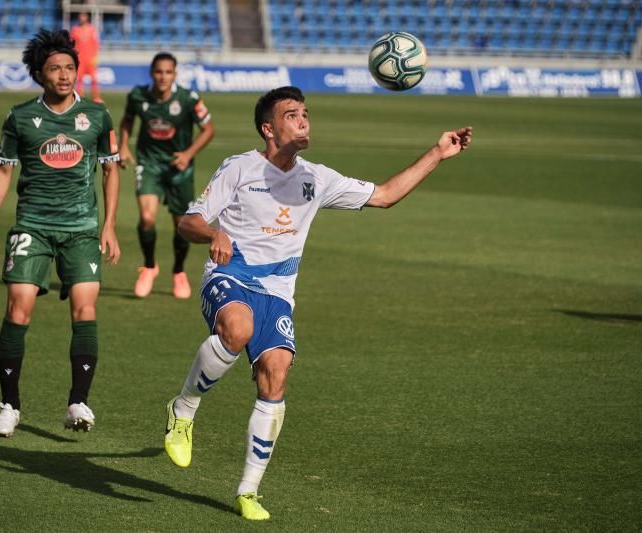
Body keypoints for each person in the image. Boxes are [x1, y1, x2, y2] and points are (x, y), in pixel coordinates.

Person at [162, 86, 473, 520]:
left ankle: (247, 492)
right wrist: (213, 233)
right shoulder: (239, 167)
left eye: (306, 113)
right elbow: (187, 221)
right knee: (237, 329)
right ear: (269, 128)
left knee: (276, 375)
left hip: (278, 293)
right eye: (292, 114)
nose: (304, 120)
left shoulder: (316, 178)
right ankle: (184, 408)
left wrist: (438, 153)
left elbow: (383, 195)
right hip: (231, 275)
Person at [0, 29, 121, 437]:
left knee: (85, 309)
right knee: (18, 307)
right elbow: (4, 171)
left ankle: (78, 403)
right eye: (55, 68)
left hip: (81, 229)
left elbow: (110, 170)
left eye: (70, 68)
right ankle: (9, 406)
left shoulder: (98, 116)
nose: (64, 75)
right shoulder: (20, 116)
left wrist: (108, 226)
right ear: (39, 73)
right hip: (32, 227)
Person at [118, 52, 215, 299]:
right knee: (147, 218)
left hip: (179, 168)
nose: (163, 77)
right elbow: (127, 120)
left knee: (181, 226)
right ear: (152, 73)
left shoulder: (188, 99)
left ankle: (178, 272)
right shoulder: (138, 96)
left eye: (168, 72)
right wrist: (123, 145)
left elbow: (208, 129)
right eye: (159, 72)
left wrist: (188, 154)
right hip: (149, 164)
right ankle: (149, 266)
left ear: (175, 74)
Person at [71, 12, 102, 102]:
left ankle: (96, 97)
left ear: (87, 17)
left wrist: (95, 56)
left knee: (94, 79)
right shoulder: (75, 29)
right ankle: (80, 97)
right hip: (80, 58)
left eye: (83, 16)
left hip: (90, 58)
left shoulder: (92, 29)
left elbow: (96, 43)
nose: (82, 18)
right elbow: (72, 44)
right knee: (79, 79)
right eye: (80, 16)